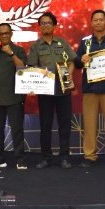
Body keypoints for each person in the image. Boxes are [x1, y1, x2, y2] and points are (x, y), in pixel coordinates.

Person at [74, 10, 105, 168]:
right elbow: (76, 64)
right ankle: (90, 155)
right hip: (90, 88)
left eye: (101, 20)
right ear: (91, 23)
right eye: (95, 20)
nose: (98, 22)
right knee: (89, 124)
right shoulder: (85, 42)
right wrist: (81, 60)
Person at [26, 11, 76, 169]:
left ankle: (64, 157)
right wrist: (32, 86)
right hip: (45, 90)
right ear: (39, 27)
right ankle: (46, 157)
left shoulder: (62, 43)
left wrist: (68, 77)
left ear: (54, 25)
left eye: (48, 23)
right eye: (43, 23)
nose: (46, 25)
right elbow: (32, 67)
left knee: (64, 124)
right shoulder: (35, 46)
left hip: (63, 89)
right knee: (45, 125)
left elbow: (72, 62)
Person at [0, 23, 28, 170]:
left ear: (11, 33)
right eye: (1, 33)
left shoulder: (19, 50)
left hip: (15, 97)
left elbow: (22, 68)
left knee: (17, 129)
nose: (4, 36)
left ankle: (20, 159)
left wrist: (11, 53)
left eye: (6, 33)